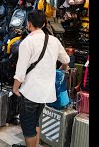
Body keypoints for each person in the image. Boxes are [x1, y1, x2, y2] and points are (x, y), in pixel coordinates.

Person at [12, 10, 70, 147]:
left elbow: (20, 72)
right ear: (44, 23)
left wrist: (15, 88)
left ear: (28, 24)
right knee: (35, 122)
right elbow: (66, 60)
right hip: (46, 93)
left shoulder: (27, 42)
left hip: (30, 92)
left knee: (28, 128)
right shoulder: (54, 41)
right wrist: (61, 69)